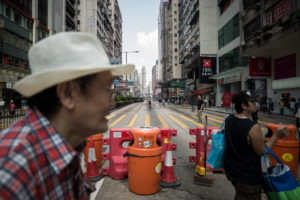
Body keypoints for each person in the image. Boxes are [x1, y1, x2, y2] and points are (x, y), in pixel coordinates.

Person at [0, 32, 134, 199]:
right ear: (68, 94)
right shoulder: (11, 171)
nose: (112, 103)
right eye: (107, 90)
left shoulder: (67, 149)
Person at [224, 90, 289, 200]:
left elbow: (240, 139)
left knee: (240, 195)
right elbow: (261, 151)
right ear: (244, 106)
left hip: (232, 171)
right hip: (248, 177)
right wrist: (277, 136)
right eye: (252, 102)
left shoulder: (229, 119)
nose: (256, 103)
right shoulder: (252, 127)